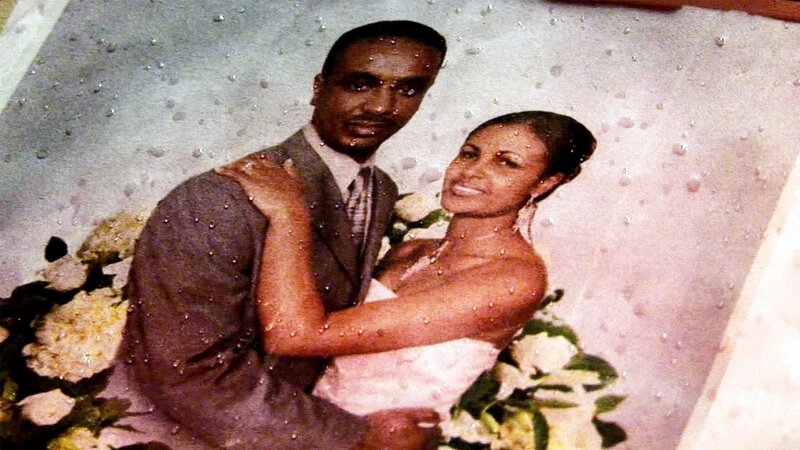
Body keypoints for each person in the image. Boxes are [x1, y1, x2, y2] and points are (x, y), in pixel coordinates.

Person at [117, 21, 446, 450]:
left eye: (408, 90)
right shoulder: (216, 199)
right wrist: (354, 436)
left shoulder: (379, 189)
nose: (382, 107)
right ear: (318, 88)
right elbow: (187, 371)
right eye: (359, 84)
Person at [215, 111, 596, 422]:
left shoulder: (513, 279)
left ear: (544, 183)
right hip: (303, 426)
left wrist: (288, 213)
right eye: (469, 153)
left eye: (506, 163)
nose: (471, 171)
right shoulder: (411, 251)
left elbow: (296, 336)